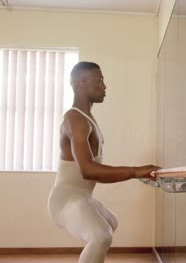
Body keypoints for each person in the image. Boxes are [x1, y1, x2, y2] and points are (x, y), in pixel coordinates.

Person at [48, 62, 159, 263]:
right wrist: (136, 172)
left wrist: (137, 172)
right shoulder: (76, 120)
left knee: (111, 223)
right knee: (101, 236)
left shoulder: (87, 118)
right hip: (65, 200)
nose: (104, 86)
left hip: (82, 196)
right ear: (82, 82)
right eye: (99, 81)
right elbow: (88, 171)